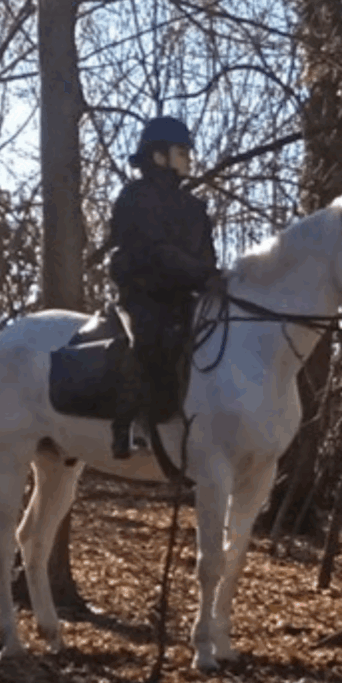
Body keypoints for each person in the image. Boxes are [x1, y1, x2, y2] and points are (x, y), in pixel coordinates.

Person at [106, 117, 221, 459]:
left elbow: (206, 254)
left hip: (186, 296)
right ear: (158, 156)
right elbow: (155, 251)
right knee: (146, 340)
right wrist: (201, 274)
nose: (189, 157)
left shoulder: (195, 207)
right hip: (143, 295)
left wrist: (212, 277)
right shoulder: (134, 197)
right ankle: (128, 425)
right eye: (181, 151)